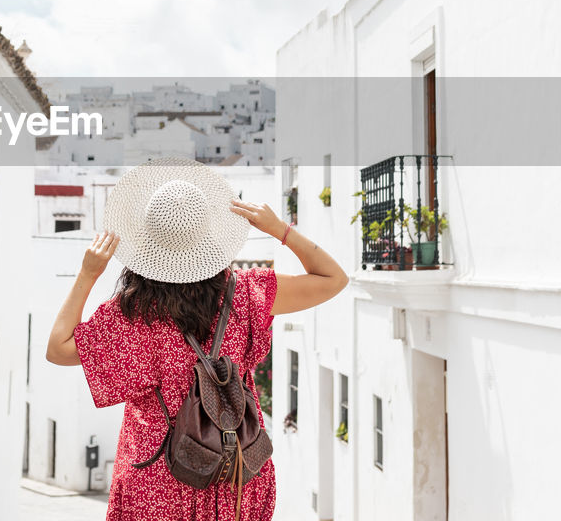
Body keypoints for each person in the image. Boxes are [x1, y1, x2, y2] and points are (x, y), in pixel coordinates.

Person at [46, 157, 348, 521]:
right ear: (211, 239)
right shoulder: (249, 295)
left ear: (145, 244)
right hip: (237, 476)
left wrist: (88, 273)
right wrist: (279, 230)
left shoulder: (133, 316)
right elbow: (333, 279)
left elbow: (58, 348)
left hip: (159, 481)